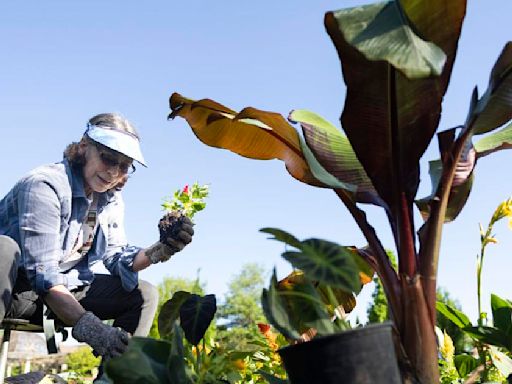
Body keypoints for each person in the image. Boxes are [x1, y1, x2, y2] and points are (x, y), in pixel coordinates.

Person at [0, 113, 194, 382]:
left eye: (124, 165)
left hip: (61, 291)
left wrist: (160, 249)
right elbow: (43, 275)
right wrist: (92, 329)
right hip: (14, 291)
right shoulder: (45, 185)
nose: (114, 172)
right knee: (3, 249)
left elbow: (116, 257)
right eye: (108, 158)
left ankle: (112, 379)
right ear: (83, 147)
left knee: (144, 294)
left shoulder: (110, 200)